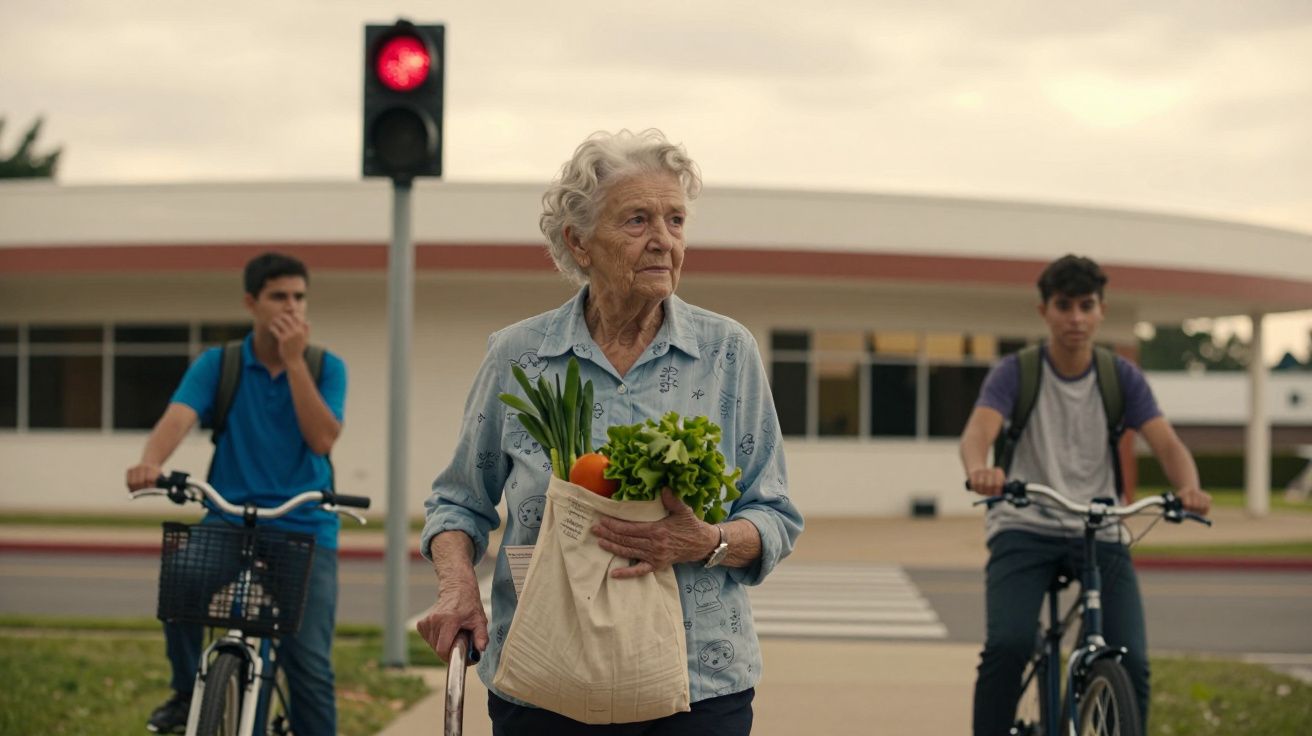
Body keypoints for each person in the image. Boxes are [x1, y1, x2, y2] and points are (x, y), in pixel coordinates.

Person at [416, 129, 803, 735]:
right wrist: (456, 588)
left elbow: (774, 513)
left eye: (675, 221)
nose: (663, 241)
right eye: (637, 221)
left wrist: (704, 541)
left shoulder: (727, 353)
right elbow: (458, 502)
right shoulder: (519, 356)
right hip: (546, 679)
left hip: (698, 682)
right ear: (579, 242)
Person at [960, 254, 1212, 735]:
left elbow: (1167, 443)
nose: (1075, 317)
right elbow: (977, 433)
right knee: (1008, 645)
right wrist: (980, 470)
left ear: (1101, 311)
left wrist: (1190, 489)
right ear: (1044, 311)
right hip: (1024, 525)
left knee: (1132, 660)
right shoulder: (1016, 372)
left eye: (1085, 305)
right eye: (1063, 305)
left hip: (1099, 527)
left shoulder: (1120, 377)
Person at [126, 252, 347, 735]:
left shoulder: (324, 367)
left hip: (304, 525)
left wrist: (293, 364)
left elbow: (323, 439)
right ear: (252, 302)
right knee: (181, 580)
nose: (292, 307)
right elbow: (178, 416)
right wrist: (151, 463)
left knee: (308, 666)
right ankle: (188, 691)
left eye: (299, 297)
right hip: (229, 518)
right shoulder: (219, 364)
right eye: (279, 297)